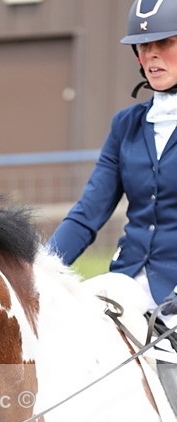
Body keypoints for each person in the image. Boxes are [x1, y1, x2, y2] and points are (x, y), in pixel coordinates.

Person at [48, 0, 177, 330]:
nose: (151, 55)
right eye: (144, 45)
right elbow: (87, 213)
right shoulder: (126, 126)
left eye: (164, 43)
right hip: (128, 281)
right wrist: (39, 269)